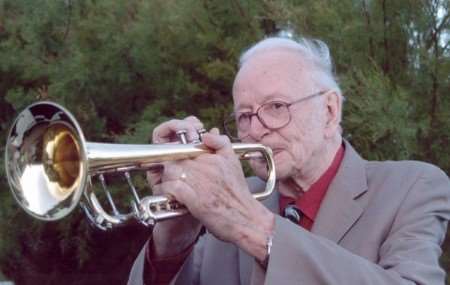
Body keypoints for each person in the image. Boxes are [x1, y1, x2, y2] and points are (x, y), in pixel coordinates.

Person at [128, 36, 450, 284]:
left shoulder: (414, 186)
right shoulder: (235, 196)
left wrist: (252, 227)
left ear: (329, 111)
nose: (255, 130)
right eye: (244, 116)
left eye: (276, 107)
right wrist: (174, 236)